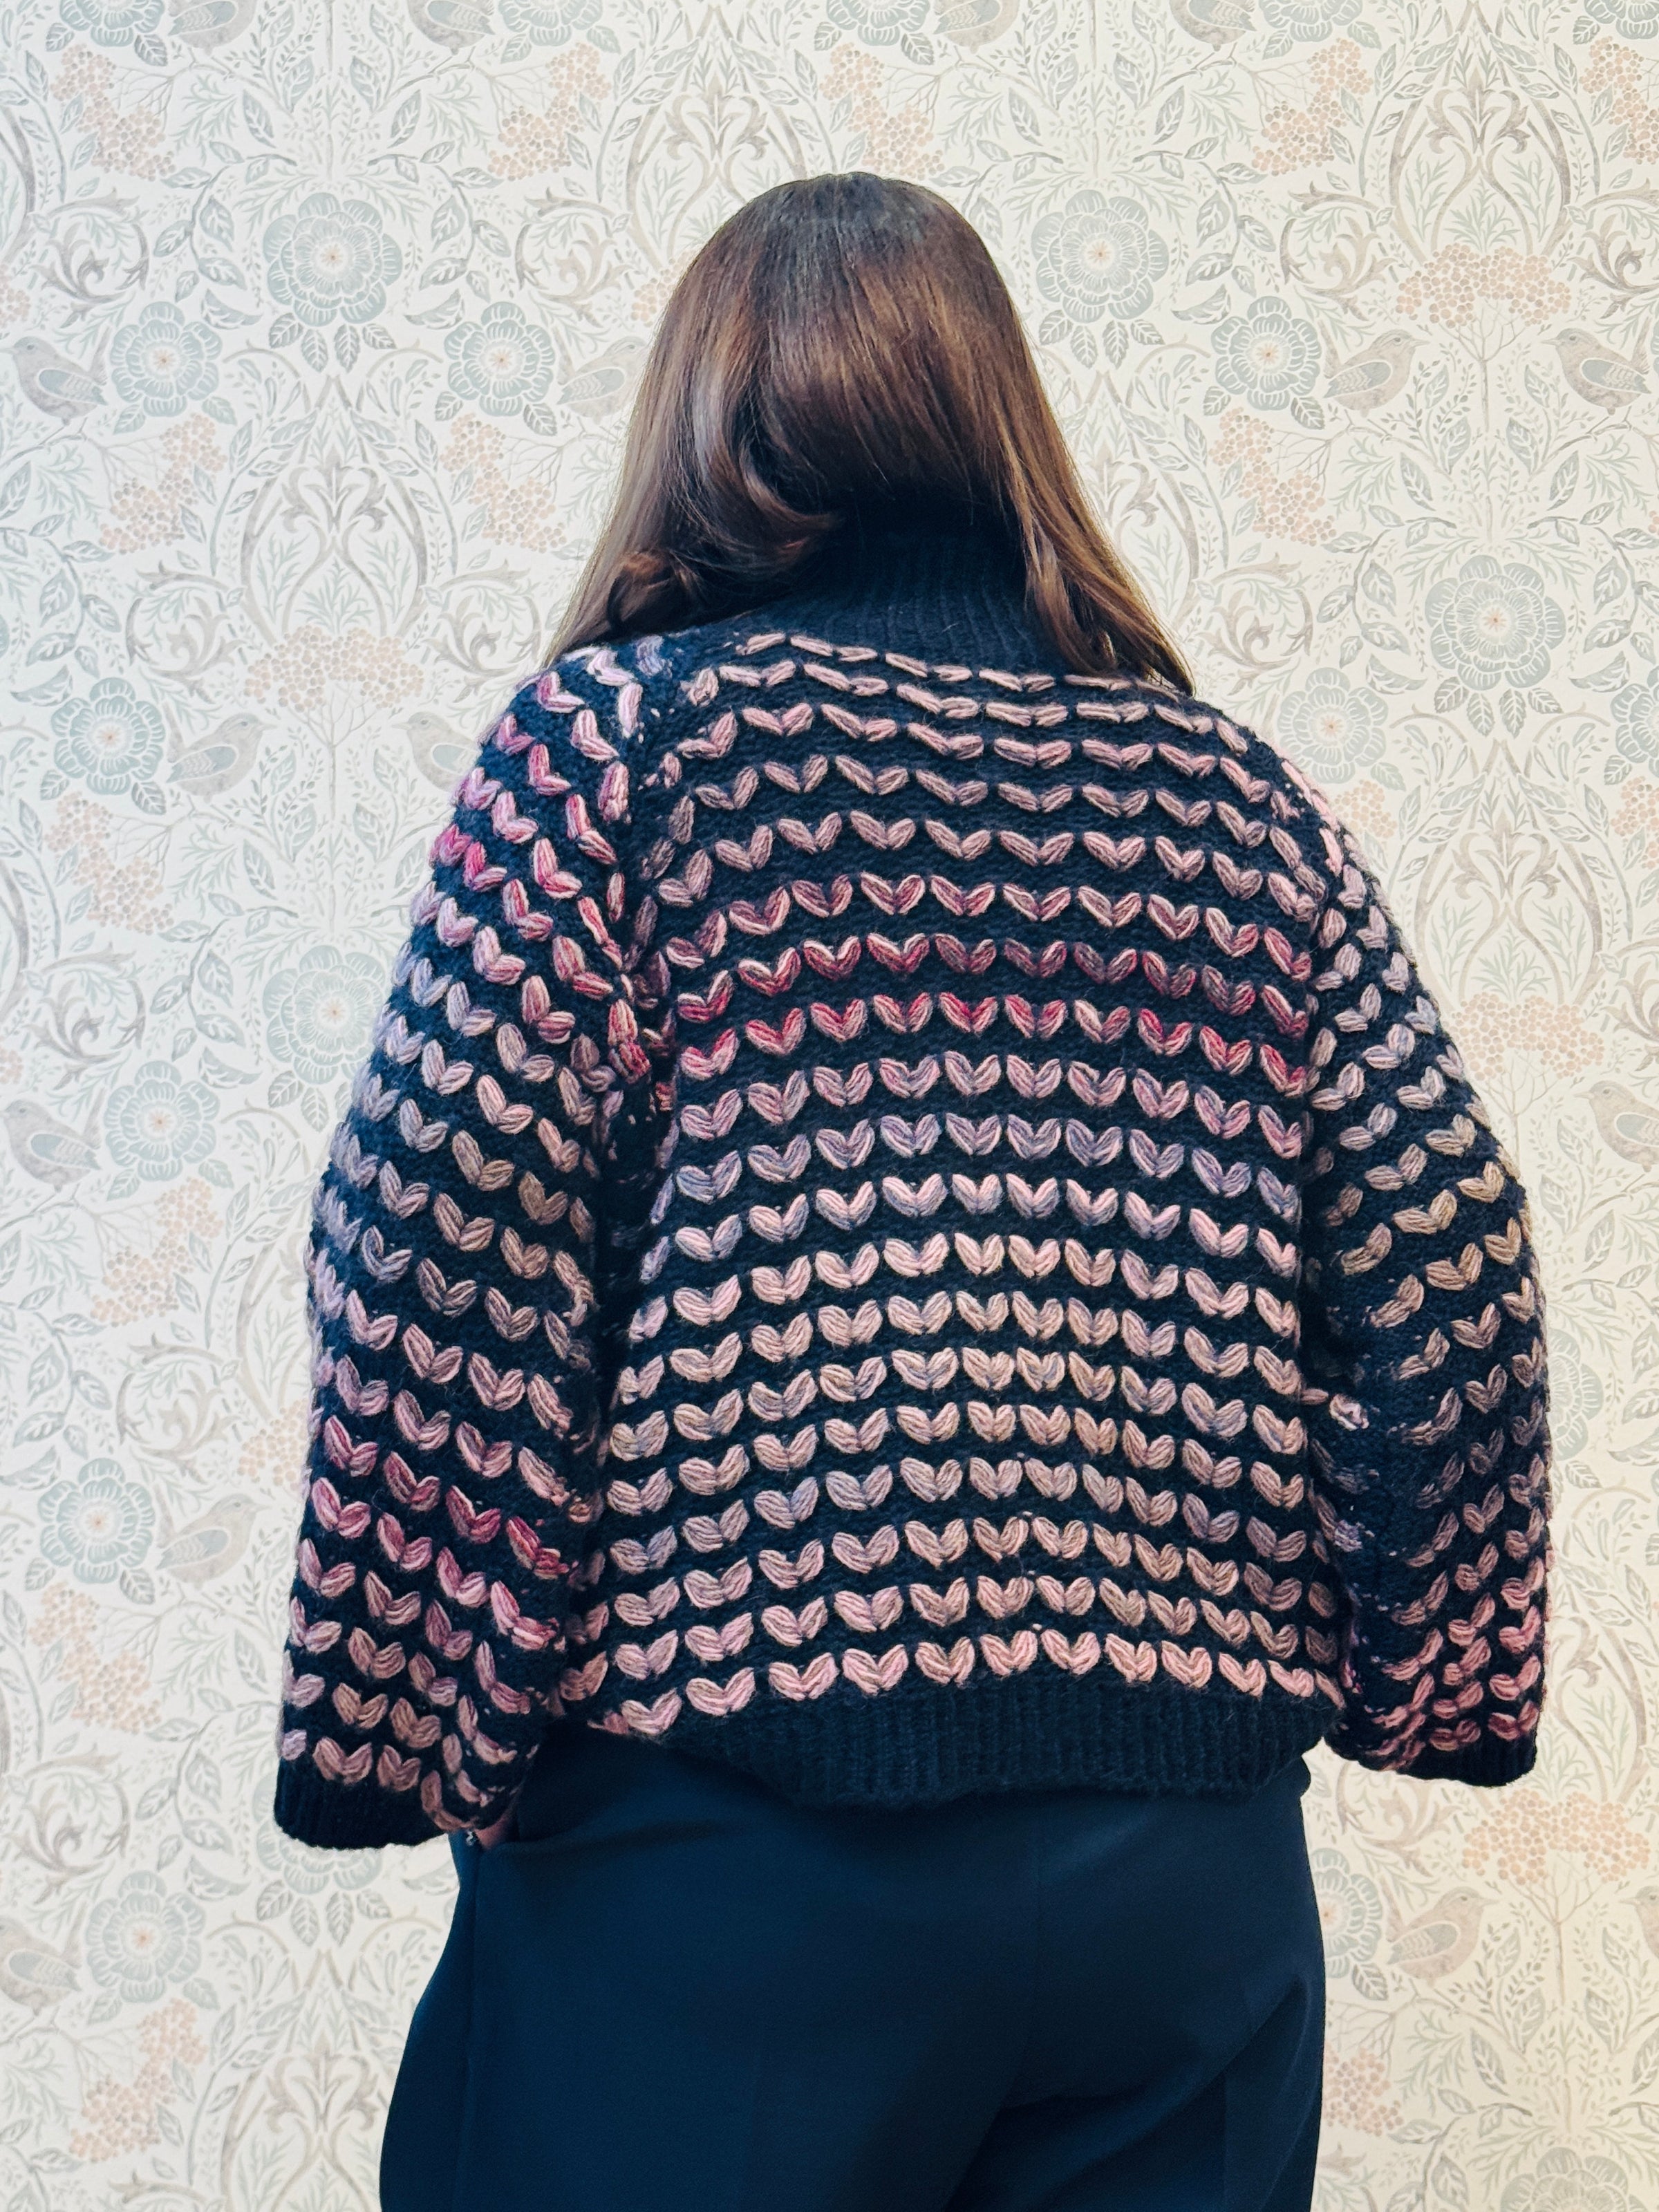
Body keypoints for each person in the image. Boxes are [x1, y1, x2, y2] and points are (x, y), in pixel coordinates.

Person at [272, 173, 1551, 2211]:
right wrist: (1432, 1684)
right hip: (1185, 1900)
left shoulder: (624, 755)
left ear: (704, 421)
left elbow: (437, 1217)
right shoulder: (1239, 804)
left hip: (726, 1868)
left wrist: (428, 1718)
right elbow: (1452, 1258)